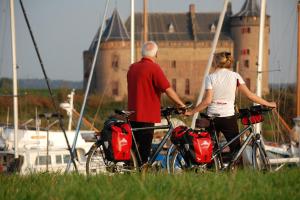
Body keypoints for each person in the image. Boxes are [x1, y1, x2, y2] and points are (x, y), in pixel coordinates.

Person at [185, 51, 276, 165]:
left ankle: (211, 169)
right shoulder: (235, 76)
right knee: (236, 149)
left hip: (212, 117)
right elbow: (250, 95)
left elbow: (207, 101)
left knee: (210, 148)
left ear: (216, 63)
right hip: (228, 117)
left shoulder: (210, 77)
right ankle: (236, 172)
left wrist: (191, 112)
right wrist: (268, 103)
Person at [127, 41, 186, 165]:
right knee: (144, 149)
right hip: (147, 115)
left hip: (132, 114)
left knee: (133, 148)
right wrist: (181, 104)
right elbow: (167, 89)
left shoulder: (132, 68)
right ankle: (142, 175)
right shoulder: (154, 68)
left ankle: (131, 171)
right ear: (156, 54)